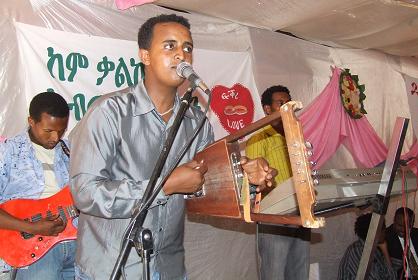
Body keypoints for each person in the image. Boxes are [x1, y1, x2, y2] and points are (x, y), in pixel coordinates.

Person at [69, 14, 276, 280]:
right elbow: (85, 193)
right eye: (170, 46)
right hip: (112, 268)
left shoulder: (197, 121)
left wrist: (246, 180)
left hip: (169, 267)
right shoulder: (109, 113)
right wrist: (164, 187)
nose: (181, 55)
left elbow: (209, 187)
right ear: (145, 56)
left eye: (187, 48)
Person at [0, 92, 76, 279]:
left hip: (77, 245)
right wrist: (32, 228)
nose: (55, 137)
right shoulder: (8, 151)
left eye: (61, 130)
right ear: (31, 122)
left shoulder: (72, 150)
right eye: (48, 131)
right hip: (33, 248)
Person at [245, 85, 310, 280]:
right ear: (267, 109)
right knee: (275, 273)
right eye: (281, 103)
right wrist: (266, 181)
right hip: (274, 215)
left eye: (289, 102)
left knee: (299, 272)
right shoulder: (258, 137)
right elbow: (255, 185)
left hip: (301, 213)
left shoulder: (295, 136)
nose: (287, 106)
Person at [337, 213, 396, 280]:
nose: (385, 231)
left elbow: (392, 277)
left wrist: (385, 252)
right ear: (375, 232)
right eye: (383, 228)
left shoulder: (375, 249)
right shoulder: (357, 251)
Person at [386, 207, 418, 279]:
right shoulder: (385, 238)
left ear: (413, 223)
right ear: (394, 221)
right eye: (400, 225)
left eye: (408, 226)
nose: (404, 230)